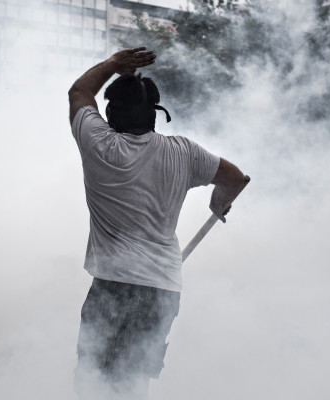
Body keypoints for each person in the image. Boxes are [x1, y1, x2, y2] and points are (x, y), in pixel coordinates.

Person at [67, 47, 247, 399]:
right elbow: (236, 179)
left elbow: (78, 92)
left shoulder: (98, 144)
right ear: (153, 114)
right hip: (162, 289)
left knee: (92, 381)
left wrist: (113, 66)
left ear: (111, 114)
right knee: (133, 383)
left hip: (114, 285)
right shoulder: (184, 151)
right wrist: (218, 200)